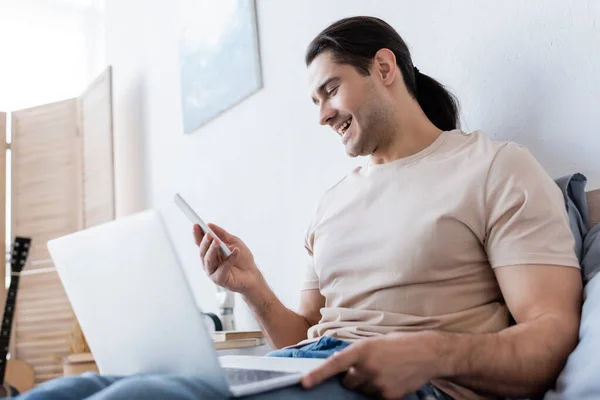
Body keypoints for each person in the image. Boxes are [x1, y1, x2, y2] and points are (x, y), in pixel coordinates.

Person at [17, 16, 582, 400]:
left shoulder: (494, 167)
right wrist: (252, 287)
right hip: (311, 367)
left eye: (331, 91)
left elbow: (550, 335)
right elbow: (306, 335)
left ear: (385, 68)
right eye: (314, 101)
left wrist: (429, 354)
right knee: (66, 391)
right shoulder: (333, 203)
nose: (322, 116)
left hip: (416, 388)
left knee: (140, 397)